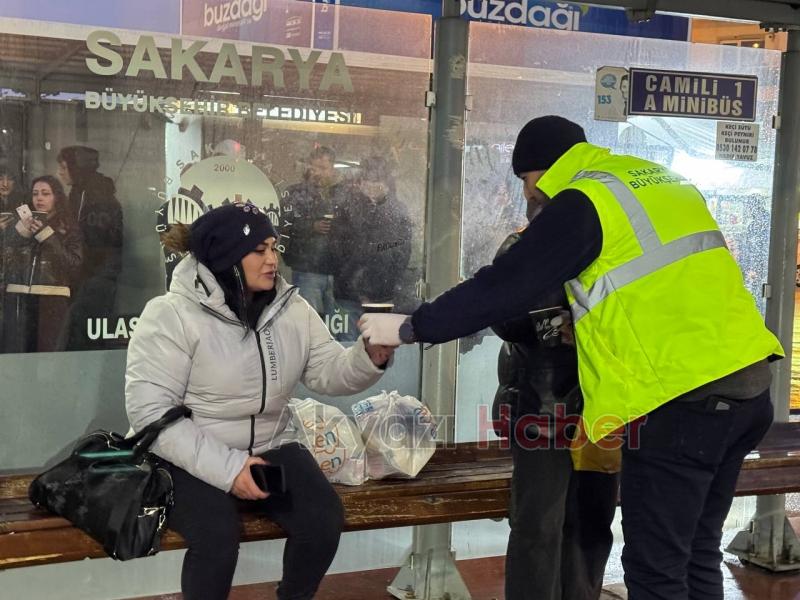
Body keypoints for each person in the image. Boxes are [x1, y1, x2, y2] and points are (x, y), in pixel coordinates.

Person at [359, 115, 782, 600]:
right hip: (747, 386)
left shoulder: (584, 201)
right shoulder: (654, 181)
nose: (526, 193)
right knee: (696, 555)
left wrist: (412, 326)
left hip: (683, 401)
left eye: (525, 179)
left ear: (543, 168)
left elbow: (506, 284)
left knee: (657, 571)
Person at [125, 202, 394, 600]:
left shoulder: (291, 309)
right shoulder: (170, 315)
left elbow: (328, 371)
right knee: (217, 537)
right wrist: (231, 469)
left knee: (322, 521)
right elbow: (152, 416)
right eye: (258, 251)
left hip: (269, 444)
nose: (272, 260)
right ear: (226, 258)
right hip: (183, 455)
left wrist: (370, 355)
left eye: (274, 247)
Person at [491, 228, 618, 600]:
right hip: (542, 411)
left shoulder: (614, 244)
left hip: (603, 410)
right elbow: (504, 317)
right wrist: (554, 322)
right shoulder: (523, 244)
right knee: (539, 527)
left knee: (591, 523)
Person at [331, 156, 412, 341]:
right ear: (360, 182)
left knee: (379, 350)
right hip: (349, 294)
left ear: (386, 184)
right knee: (348, 348)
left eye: (377, 181)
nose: (372, 185)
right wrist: (355, 287)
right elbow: (337, 249)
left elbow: (402, 254)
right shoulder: (348, 208)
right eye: (368, 180)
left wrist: (388, 287)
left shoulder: (397, 211)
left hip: (382, 295)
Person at [2, 175, 83, 353]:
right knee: (18, 354)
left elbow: (74, 264)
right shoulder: (22, 223)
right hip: (19, 297)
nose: (39, 198)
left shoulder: (67, 227)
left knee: (48, 354)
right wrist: (17, 233)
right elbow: (6, 259)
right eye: (35, 194)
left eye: (46, 193)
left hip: (52, 299)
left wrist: (48, 236)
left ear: (57, 197)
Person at [56, 145, 123, 350]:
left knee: (83, 337)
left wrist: (64, 236)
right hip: (93, 276)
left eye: (64, 167)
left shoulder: (94, 196)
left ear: (77, 169)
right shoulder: (83, 192)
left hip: (94, 277)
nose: (60, 172)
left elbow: (96, 241)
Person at [281, 146, 343, 318]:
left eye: (323, 168)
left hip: (339, 272)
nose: (317, 173)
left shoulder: (343, 194)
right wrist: (311, 226)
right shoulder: (295, 193)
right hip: (307, 269)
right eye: (314, 167)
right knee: (309, 324)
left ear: (332, 169)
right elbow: (284, 225)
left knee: (338, 329)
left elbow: (355, 227)